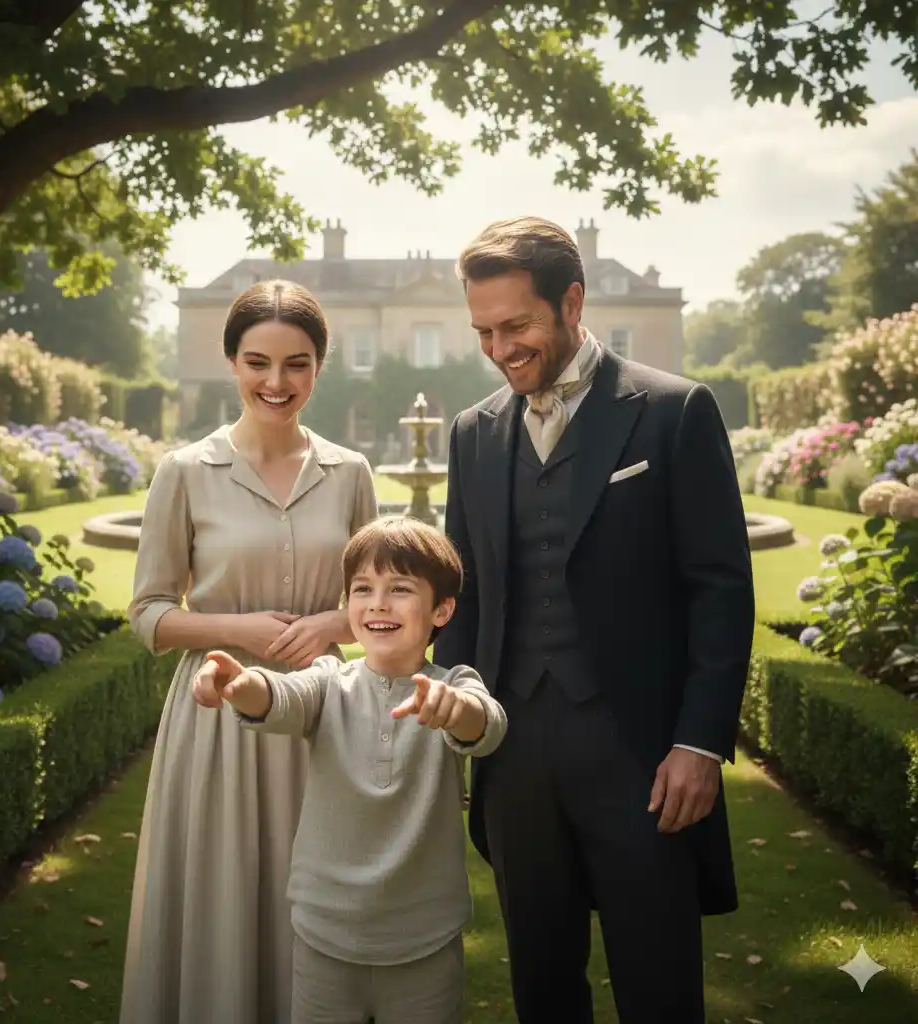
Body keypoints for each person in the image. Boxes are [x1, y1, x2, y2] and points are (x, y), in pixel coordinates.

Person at [433, 216, 755, 1023]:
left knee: (659, 988)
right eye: (483, 331)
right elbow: (463, 593)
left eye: (517, 325)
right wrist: (460, 709)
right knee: (542, 988)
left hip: (642, 757)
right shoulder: (473, 434)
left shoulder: (675, 412)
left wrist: (699, 742)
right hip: (512, 759)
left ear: (571, 301)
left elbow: (720, 588)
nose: (500, 348)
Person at [120, 279, 379, 1024]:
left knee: (322, 894)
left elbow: (381, 602)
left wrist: (332, 627)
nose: (277, 382)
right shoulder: (184, 472)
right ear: (232, 362)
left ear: (318, 366)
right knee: (225, 890)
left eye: (296, 364)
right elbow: (148, 613)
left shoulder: (351, 472)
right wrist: (239, 632)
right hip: (218, 719)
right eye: (258, 362)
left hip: (325, 720)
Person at [191, 516, 507, 1024]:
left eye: (400, 589)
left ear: (442, 609)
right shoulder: (327, 681)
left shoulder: (455, 683)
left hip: (424, 943)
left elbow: (486, 726)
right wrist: (239, 682)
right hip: (324, 939)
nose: (378, 603)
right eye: (363, 589)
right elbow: (279, 696)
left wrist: (453, 709)